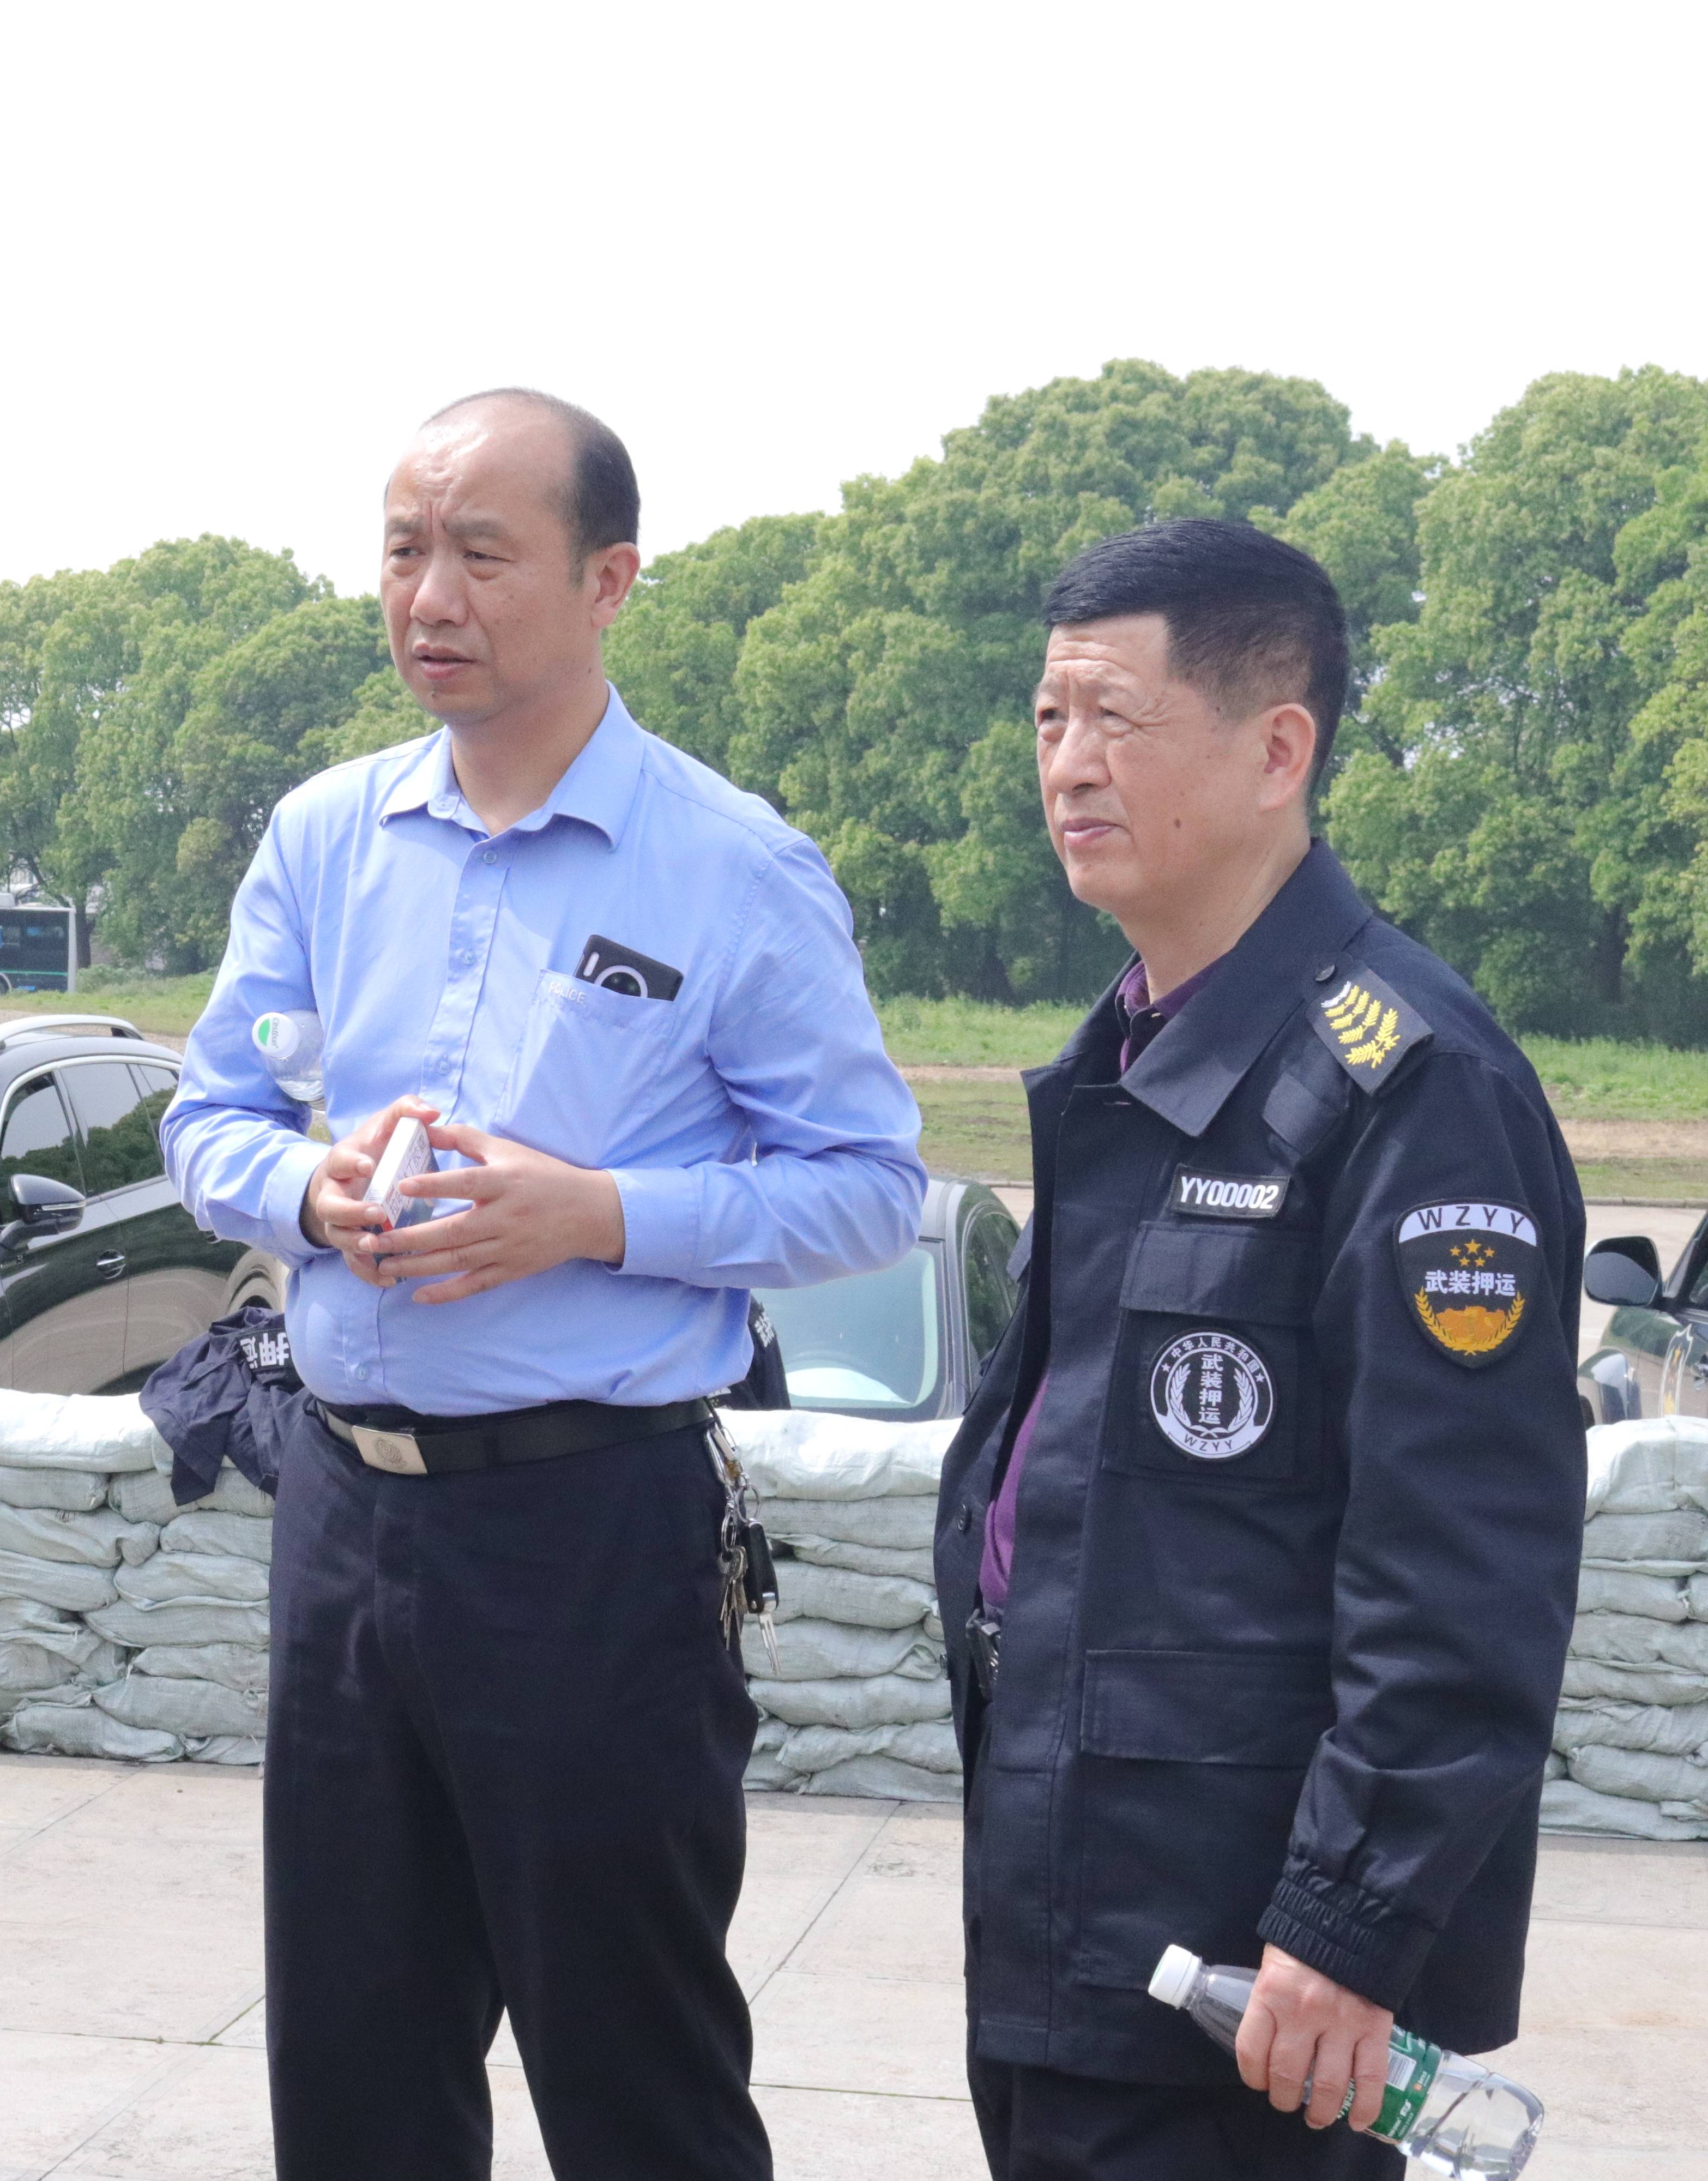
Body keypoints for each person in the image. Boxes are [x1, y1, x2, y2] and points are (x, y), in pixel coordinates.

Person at [162, 389, 926, 2180]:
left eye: (482, 555)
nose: (430, 595)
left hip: (593, 1531)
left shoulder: (731, 867)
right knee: (352, 2074)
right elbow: (209, 1116)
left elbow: (870, 1189)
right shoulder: (327, 836)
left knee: (634, 2079)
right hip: (344, 1513)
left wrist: (593, 1215)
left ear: (609, 581)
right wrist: (308, 1189)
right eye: (404, 550)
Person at [931, 519, 1586, 2179]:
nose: (1068, 765)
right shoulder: (1135, 1055)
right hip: (1076, 1927)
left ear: (1278, 749)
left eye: (1115, 718)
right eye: (1048, 719)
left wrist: (1347, 1927)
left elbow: (1462, 1569)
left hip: (1251, 1981)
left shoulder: (1408, 1086)